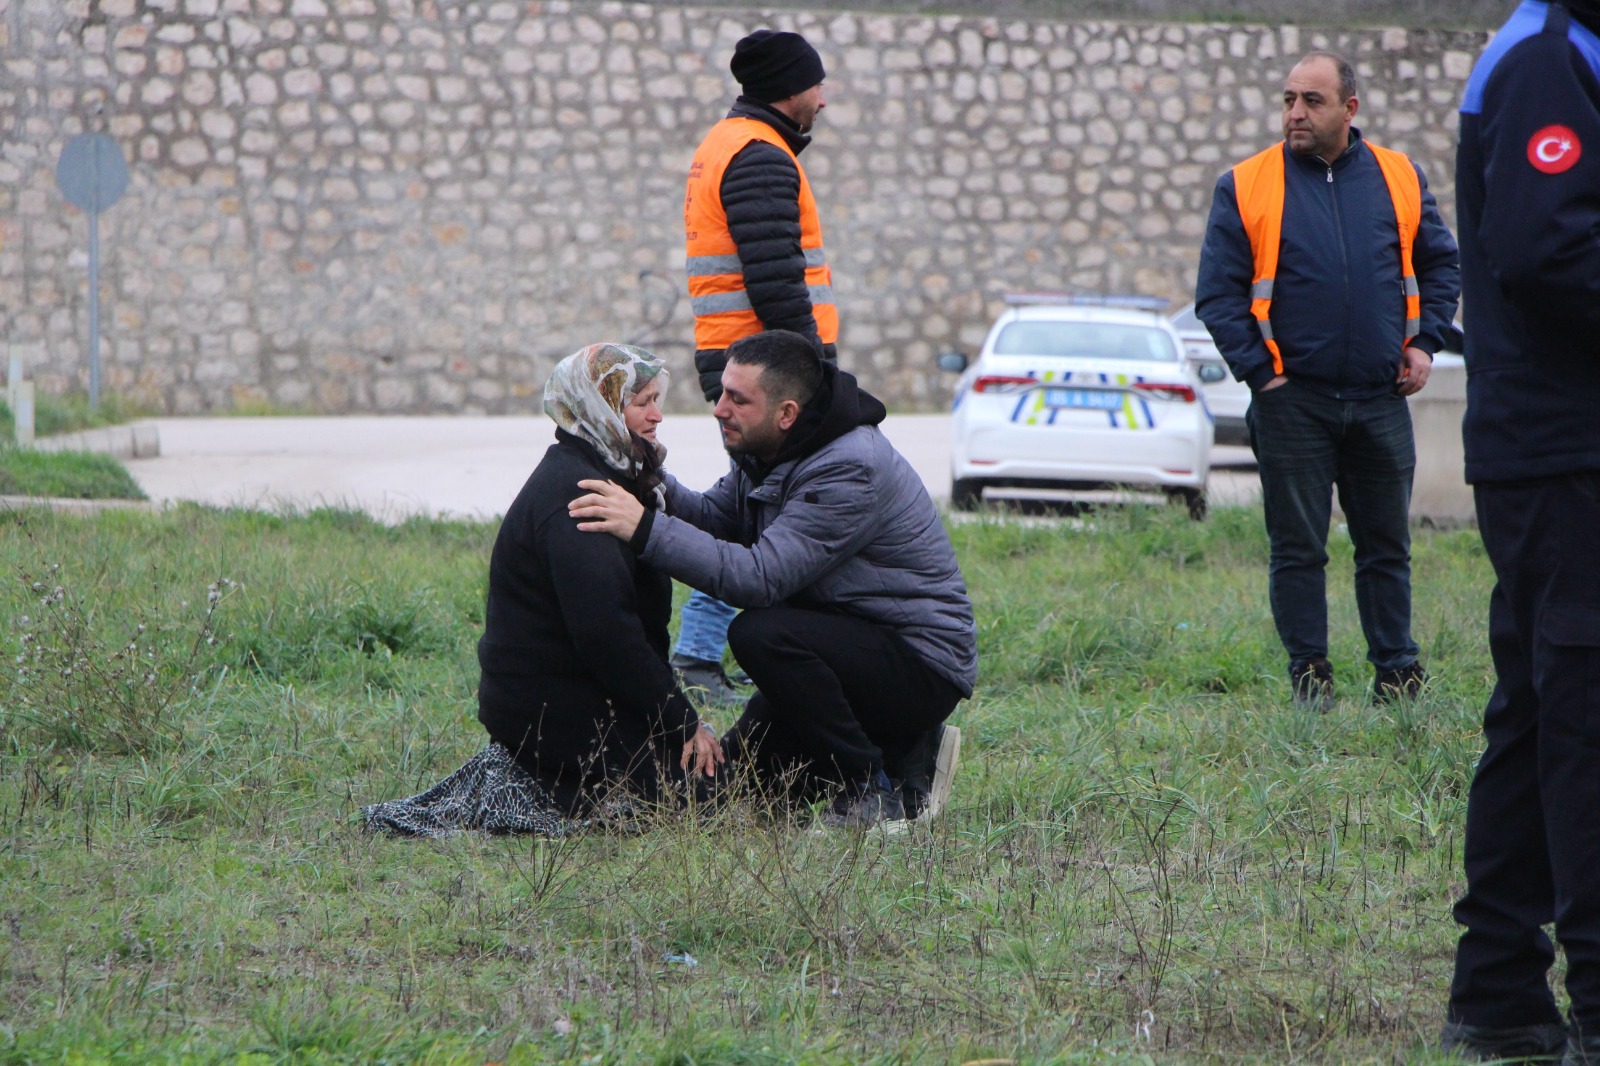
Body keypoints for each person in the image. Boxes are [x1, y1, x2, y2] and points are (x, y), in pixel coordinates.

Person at [570, 330, 973, 828]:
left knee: (758, 631)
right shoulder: (770, 447)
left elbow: (759, 579)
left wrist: (643, 527)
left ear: (786, 413)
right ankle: (906, 754)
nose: (719, 409)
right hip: (836, 649)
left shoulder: (849, 468)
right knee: (733, 787)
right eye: (722, 392)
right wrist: (647, 480)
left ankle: (869, 787)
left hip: (918, 663)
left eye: (738, 399)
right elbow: (715, 517)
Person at [363, 343, 721, 836]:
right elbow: (607, 637)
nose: (658, 416)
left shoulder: (614, 475)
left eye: (659, 400)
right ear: (604, 407)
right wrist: (681, 721)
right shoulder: (581, 495)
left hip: (580, 694)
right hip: (551, 713)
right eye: (643, 403)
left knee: (706, 779)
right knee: (700, 794)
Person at [1195, 49, 1461, 711]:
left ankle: (1397, 679)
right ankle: (1310, 684)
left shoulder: (1400, 177)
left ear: (1350, 108)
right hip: (1293, 403)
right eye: (1288, 99)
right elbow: (1217, 297)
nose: (1295, 113)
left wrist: (1425, 342)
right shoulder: (1247, 184)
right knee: (1298, 551)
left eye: (1311, 101)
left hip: (1380, 399)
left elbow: (1441, 266)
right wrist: (1262, 376)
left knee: (1386, 549)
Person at [1441, 3, 1600, 1062]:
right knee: (1585, 716)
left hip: (1546, 446)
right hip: (1564, 445)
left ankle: (1498, 987)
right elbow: (1546, 247)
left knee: (1543, 712)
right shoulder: (1550, 57)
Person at [673, 27, 840, 707]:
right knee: (766, 510)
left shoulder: (731, 143)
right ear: (788, 90)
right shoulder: (760, 156)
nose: (824, 99)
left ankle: (705, 648)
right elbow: (775, 279)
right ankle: (698, 652)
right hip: (765, 368)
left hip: (746, 360)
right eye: (817, 84)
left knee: (759, 506)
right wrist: (810, 377)